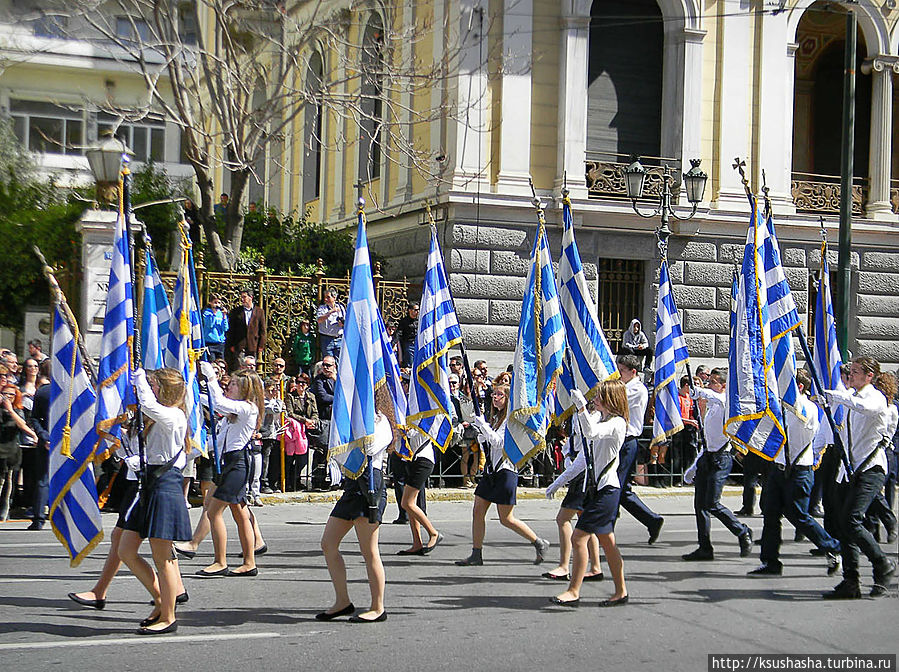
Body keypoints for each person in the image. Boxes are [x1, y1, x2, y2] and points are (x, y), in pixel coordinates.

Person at [69, 418, 189, 615]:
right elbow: (133, 448)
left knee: (143, 544)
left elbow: (161, 453)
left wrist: (134, 458)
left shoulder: (165, 415)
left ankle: (164, 601)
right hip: (139, 481)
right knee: (129, 541)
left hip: (149, 482)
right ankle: (172, 592)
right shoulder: (144, 416)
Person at [116, 368, 192, 635]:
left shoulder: (173, 415)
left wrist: (138, 378)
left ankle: (168, 616)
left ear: (165, 390)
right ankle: (161, 600)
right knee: (126, 550)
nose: (151, 389)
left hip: (165, 487)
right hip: (149, 484)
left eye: (155, 385)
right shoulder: (159, 417)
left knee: (164, 559)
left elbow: (147, 402)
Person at [749, 369, 840, 576]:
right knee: (770, 515)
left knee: (798, 515)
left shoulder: (807, 407)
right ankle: (770, 562)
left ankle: (832, 546)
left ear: (799, 387)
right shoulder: (779, 407)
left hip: (799, 470)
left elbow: (800, 428)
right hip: (778, 469)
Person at [546, 380, 629, 607]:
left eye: (600, 396)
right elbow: (582, 454)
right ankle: (621, 591)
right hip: (595, 489)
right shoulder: (601, 419)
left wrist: (582, 408)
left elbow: (591, 433)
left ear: (611, 399)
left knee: (578, 537)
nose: (595, 398)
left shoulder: (617, 423)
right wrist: (557, 483)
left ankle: (574, 590)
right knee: (608, 542)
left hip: (607, 490)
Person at [823, 357, 896, 599]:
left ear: (869, 376)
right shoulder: (851, 400)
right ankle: (851, 581)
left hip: (871, 469)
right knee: (843, 525)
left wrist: (838, 396)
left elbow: (865, 408)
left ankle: (882, 564)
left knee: (852, 519)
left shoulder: (873, 397)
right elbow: (844, 437)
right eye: (850, 371)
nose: (850, 375)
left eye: (855, 372)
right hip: (850, 470)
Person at [455, 384, 550, 566]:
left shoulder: (510, 421)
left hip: (505, 472)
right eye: (494, 394)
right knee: (477, 511)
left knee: (506, 518)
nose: (495, 397)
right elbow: (489, 445)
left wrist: (483, 426)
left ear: (508, 399)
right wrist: (482, 434)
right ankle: (476, 553)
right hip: (492, 472)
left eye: (500, 395)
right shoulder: (497, 418)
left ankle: (538, 542)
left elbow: (499, 443)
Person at [317, 409, 393, 623]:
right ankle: (342, 601)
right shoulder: (349, 421)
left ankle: (378, 607)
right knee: (328, 544)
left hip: (370, 483)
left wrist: (360, 425)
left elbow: (370, 449)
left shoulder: (382, 423)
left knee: (369, 551)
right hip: (352, 485)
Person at [196, 362, 265, 578]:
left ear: (245, 388)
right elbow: (216, 436)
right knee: (239, 512)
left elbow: (217, 401)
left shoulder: (247, 408)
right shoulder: (232, 413)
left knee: (214, 511)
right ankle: (249, 562)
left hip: (237, 463)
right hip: (228, 462)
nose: (229, 387)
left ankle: (220, 561)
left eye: (234, 384)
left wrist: (211, 379)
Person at [682, 367, 753, 561]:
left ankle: (742, 531)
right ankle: (704, 547)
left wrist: (701, 392)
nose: (709, 385)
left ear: (723, 386)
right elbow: (708, 440)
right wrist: (694, 466)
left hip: (722, 458)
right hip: (708, 456)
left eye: (713, 382)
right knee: (700, 506)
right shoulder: (712, 405)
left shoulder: (724, 402)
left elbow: (715, 398)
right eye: (709, 382)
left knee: (712, 503)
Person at [541, 409, 605, 583]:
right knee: (585, 522)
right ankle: (595, 567)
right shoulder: (577, 414)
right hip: (578, 469)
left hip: (583, 475)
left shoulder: (595, 416)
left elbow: (583, 458)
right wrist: (568, 453)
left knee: (563, 519)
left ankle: (564, 566)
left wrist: (557, 483)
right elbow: (572, 441)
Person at [615, 355, 664, 544]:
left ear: (633, 372)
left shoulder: (637, 389)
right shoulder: (625, 386)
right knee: (622, 491)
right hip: (618, 441)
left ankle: (604, 528)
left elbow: (614, 401)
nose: (618, 375)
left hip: (628, 442)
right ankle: (652, 520)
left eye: (621, 372)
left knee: (615, 488)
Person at [396, 430, 444, 556]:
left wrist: (399, 428)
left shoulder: (420, 416)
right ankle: (417, 543)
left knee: (407, 503)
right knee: (411, 503)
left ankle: (433, 533)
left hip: (423, 461)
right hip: (413, 461)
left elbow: (412, 432)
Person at [863, 371, 898, 543]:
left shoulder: (890, 409)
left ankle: (889, 522)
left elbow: (888, 432)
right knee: (871, 492)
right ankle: (872, 528)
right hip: (871, 450)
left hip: (883, 451)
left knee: (876, 491)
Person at [0, 385, 37, 521]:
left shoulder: (17, 411)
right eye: (5, 394)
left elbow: (22, 424)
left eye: (11, 395)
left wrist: (9, 410)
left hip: (11, 451)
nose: (7, 397)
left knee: (9, 482)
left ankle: (4, 511)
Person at [284, 374, 317, 491]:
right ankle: (289, 481)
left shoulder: (310, 396)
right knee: (290, 457)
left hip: (306, 430)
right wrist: (305, 420)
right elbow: (290, 413)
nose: (300, 385)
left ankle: (297, 479)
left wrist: (313, 421)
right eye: (299, 382)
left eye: (303, 383)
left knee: (303, 458)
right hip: (295, 430)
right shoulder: (290, 397)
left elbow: (314, 412)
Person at [224, 289, 266, 374]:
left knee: (251, 366)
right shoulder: (236, 312)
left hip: (253, 344)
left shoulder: (259, 311)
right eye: (241, 297)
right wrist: (231, 344)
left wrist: (261, 345)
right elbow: (232, 329)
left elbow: (262, 329)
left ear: (251, 297)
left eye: (244, 297)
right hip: (239, 344)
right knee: (239, 367)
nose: (242, 299)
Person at [316, 289, 346, 360]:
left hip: (339, 339)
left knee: (339, 361)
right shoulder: (322, 308)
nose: (326, 299)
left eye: (328, 297)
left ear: (334, 297)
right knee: (328, 361)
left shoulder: (341, 307)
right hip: (327, 339)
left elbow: (346, 321)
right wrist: (329, 312)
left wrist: (342, 323)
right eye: (325, 297)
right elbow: (319, 320)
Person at [202, 296, 229, 361]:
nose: (217, 304)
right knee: (212, 361)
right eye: (215, 302)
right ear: (210, 303)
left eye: (219, 303)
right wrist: (213, 314)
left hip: (220, 343)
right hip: (210, 343)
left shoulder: (221, 313)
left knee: (221, 362)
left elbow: (225, 328)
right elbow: (210, 325)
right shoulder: (206, 313)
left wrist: (224, 316)